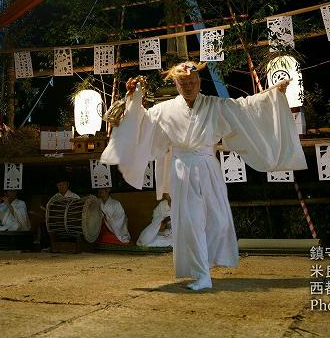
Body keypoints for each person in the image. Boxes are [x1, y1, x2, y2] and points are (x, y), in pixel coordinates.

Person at [100, 62, 306, 290]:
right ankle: (201, 274)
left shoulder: (214, 105)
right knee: (190, 222)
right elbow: (141, 123)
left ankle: (206, 266)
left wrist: (273, 94)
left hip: (208, 167)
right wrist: (133, 97)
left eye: (192, 82)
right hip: (181, 168)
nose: (188, 87)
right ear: (176, 84)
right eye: (183, 83)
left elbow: (245, 107)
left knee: (216, 220)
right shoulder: (164, 110)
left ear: (199, 82)